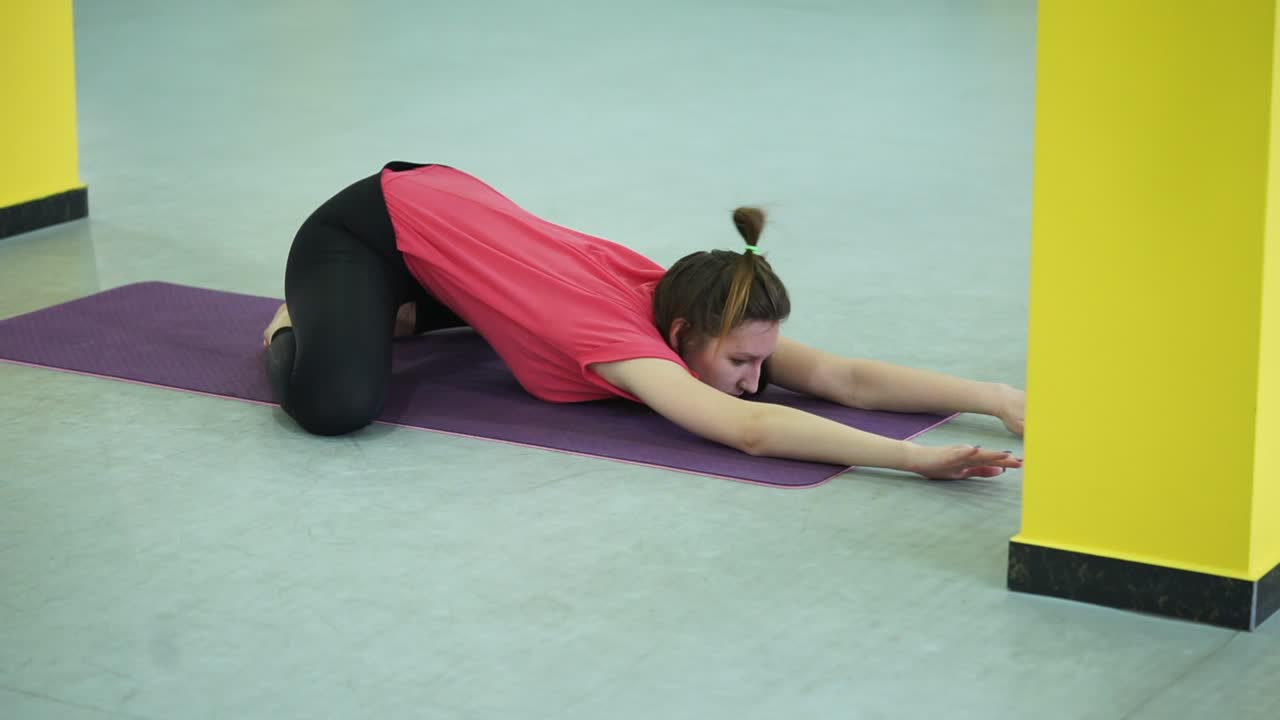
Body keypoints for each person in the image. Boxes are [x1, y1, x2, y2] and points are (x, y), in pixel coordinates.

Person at [263, 162, 1026, 481]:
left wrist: (995, 397)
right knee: (337, 406)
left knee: (457, 311)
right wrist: (914, 462)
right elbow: (750, 432)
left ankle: (409, 309)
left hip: (450, 216)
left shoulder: (699, 303)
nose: (756, 382)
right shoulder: (622, 342)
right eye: (740, 365)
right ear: (684, 336)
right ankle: (292, 324)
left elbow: (841, 378)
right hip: (369, 229)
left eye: (758, 362)